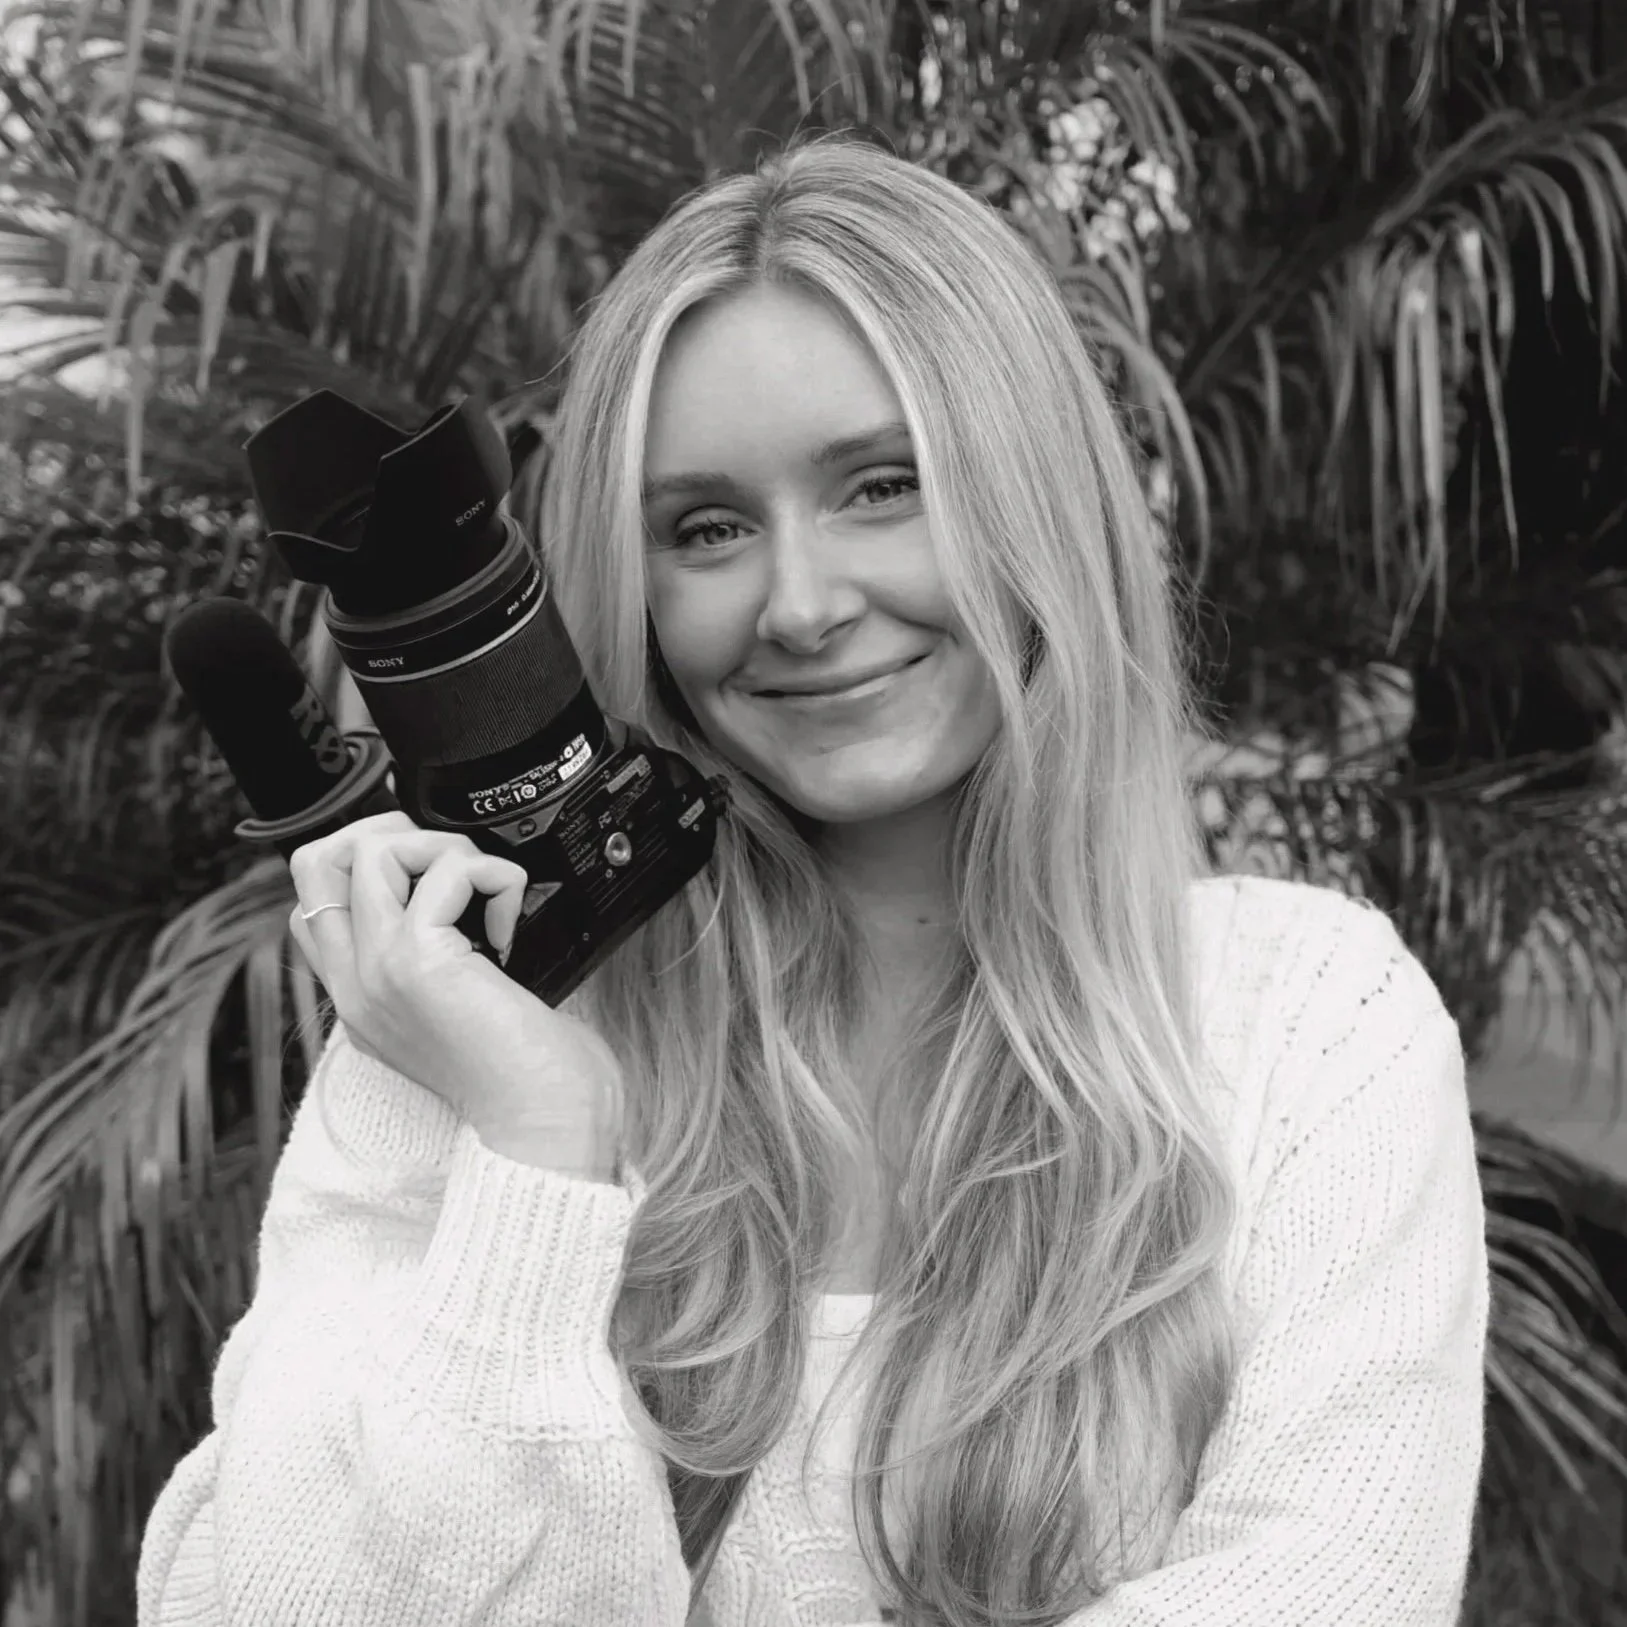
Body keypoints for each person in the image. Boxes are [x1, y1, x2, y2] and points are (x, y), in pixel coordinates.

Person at [136, 133, 1490, 1627]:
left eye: (881, 486)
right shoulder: (476, 1018)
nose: (799, 604)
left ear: (1035, 498)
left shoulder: (1308, 1026)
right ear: (630, 585)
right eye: (706, 528)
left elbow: (1336, 1578)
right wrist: (534, 1139)